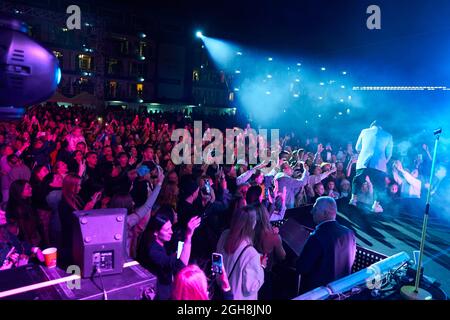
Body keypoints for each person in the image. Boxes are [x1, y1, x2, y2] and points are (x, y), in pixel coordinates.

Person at [296, 197, 356, 294]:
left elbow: (302, 267)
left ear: (325, 213)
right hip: (342, 291)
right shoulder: (349, 233)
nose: (311, 212)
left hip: (321, 294)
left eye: (315, 209)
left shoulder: (317, 237)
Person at [137, 213, 201, 300]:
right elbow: (180, 265)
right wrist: (188, 236)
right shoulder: (153, 250)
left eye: (170, 227)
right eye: (167, 230)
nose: (171, 231)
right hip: (160, 294)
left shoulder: (163, 242)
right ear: (156, 233)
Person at [216, 206, 266, 300]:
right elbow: (250, 288)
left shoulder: (224, 235)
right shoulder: (252, 254)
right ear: (252, 224)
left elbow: (218, 265)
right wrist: (261, 267)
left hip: (223, 293)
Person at [350, 121, 393, 213]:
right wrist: (383, 162)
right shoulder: (388, 135)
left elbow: (357, 147)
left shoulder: (364, 131)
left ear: (371, 126)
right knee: (379, 186)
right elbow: (389, 154)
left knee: (357, 180)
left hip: (363, 162)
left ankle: (353, 199)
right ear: (381, 127)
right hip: (379, 164)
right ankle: (375, 206)